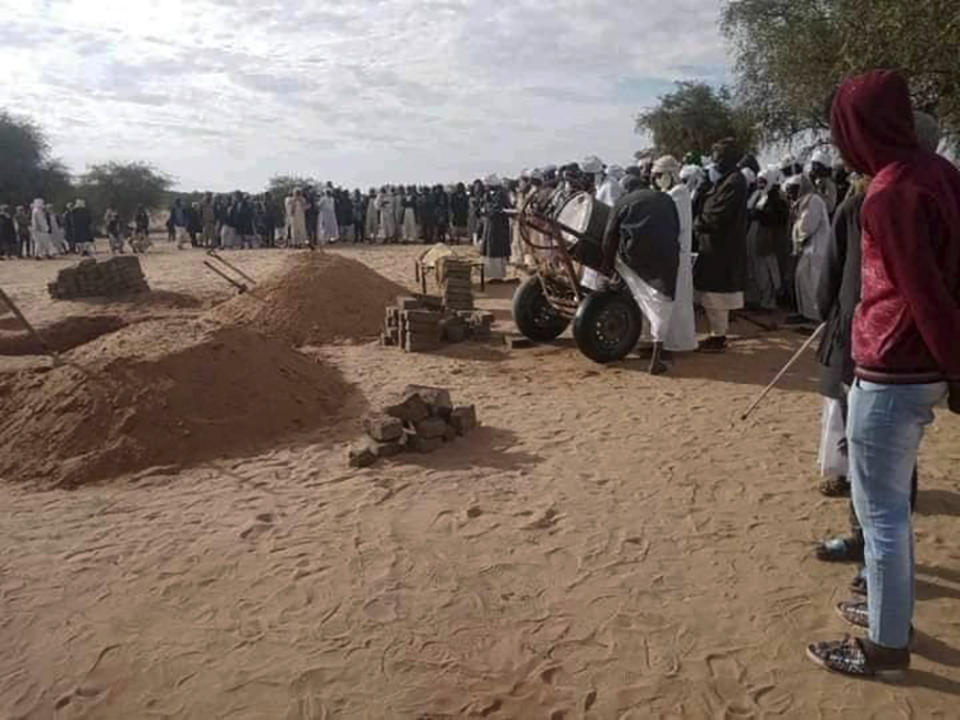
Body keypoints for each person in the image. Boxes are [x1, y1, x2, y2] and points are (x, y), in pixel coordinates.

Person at [806, 70, 960, 678]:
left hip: (893, 368)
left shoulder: (890, 193)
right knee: (887, 509)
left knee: (882, 514)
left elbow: (923, 292)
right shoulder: (943, 176)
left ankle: (886, 646)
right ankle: (883, 617)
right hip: (917, 368)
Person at [599, 172, 681, 375]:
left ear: (627, 188)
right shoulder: (666, 198)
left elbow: (610, 235)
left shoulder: (623, 201)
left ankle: (644, 345)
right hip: (666, 258)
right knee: (661, 301)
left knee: (642, 297)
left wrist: (607, 266)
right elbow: (676, 228)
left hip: (635, 260)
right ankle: (657, 353)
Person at [693, 138, 749, 352]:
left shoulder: (734, 182)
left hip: (723, 247)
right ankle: (717, 334)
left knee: (717, 296)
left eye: (718, 159)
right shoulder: (723, 181)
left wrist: (699, 222)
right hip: (713, 245)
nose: (714, 163)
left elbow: (716, 214)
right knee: (710, 294)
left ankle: (719, 337)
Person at [654, 155, 697, 354]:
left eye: (660, 175)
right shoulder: (669, 192)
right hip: (668, 252)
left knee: (678, 298)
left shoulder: (680, 192)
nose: (657, 179)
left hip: (678, 252)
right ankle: (665, 340)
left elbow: (674, 223)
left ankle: (678, 342)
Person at [784, 174, 831, 323]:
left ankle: (815, 316)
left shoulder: (814, 200)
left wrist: (797, 237)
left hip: (817, 248)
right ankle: (805, 313)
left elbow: (807, 226)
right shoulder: (803, 202)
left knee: (813, 282)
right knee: (802, 278)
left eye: (792, 190)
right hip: (808, 248)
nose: (790, 193)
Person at [744, 167, 788, 311]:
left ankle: (769, 302)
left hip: (767, 239)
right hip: (754, 235)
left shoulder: (776, 197)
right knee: (755, 270)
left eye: (763, 181)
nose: (760, 184)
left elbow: (776, 218)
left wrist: (759, 214)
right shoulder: (757, 195)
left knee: (768, 272)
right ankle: (757, 299)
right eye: (759, 181)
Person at [479, 175, 510, 281]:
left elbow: (497, 209)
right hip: (490, 225)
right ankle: (491, 274)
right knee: (489, 248)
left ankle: (497, 276)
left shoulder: (500, 195)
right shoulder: (488, 195)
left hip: (498, 226)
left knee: (496, 249)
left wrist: (486, 210)